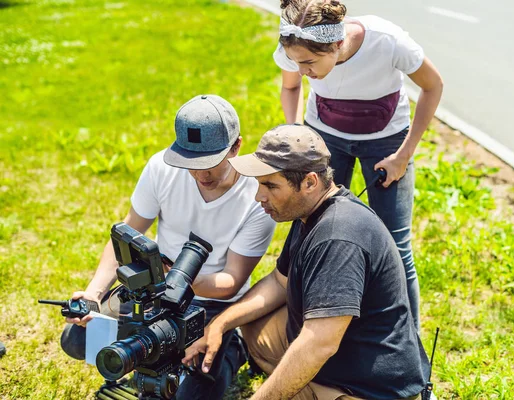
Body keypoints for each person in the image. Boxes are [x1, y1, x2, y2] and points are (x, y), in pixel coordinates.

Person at [182, 124, 431, 400]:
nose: (258, 196)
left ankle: (301, 384)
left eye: (270, 186)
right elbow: (279, 283)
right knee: (253, 326)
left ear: (310, 182)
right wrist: (220, 323)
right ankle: (294, 378)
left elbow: (318, 344)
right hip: (333, 358)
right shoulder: (308, 213)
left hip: (366, 389)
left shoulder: (338, 237)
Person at [60, 94, 276, 399]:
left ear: (237, 146)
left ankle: (235, 343)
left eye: (211, 163)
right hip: (155, 294)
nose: (202, 174)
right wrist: (94, 293)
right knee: (78, 338)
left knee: (191, 394)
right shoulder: (162, 168)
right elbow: (127, 231)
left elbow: (232, 281)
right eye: (191, 163)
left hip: (213, 304)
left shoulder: (258, 194)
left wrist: (173, 280)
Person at [274, 0, 444, 330]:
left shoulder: (387, 41)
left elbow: (433, 85)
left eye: (309, 62)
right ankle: (302, 322)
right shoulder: (295, 45)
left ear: (337, 44)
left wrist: (403, 156)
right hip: (326, 135)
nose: (302, 70)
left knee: (395, 243)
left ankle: (408, 338)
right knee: (311, 228)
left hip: (386, 142)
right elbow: (291, 86)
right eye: (297, 62)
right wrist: (296, 130)